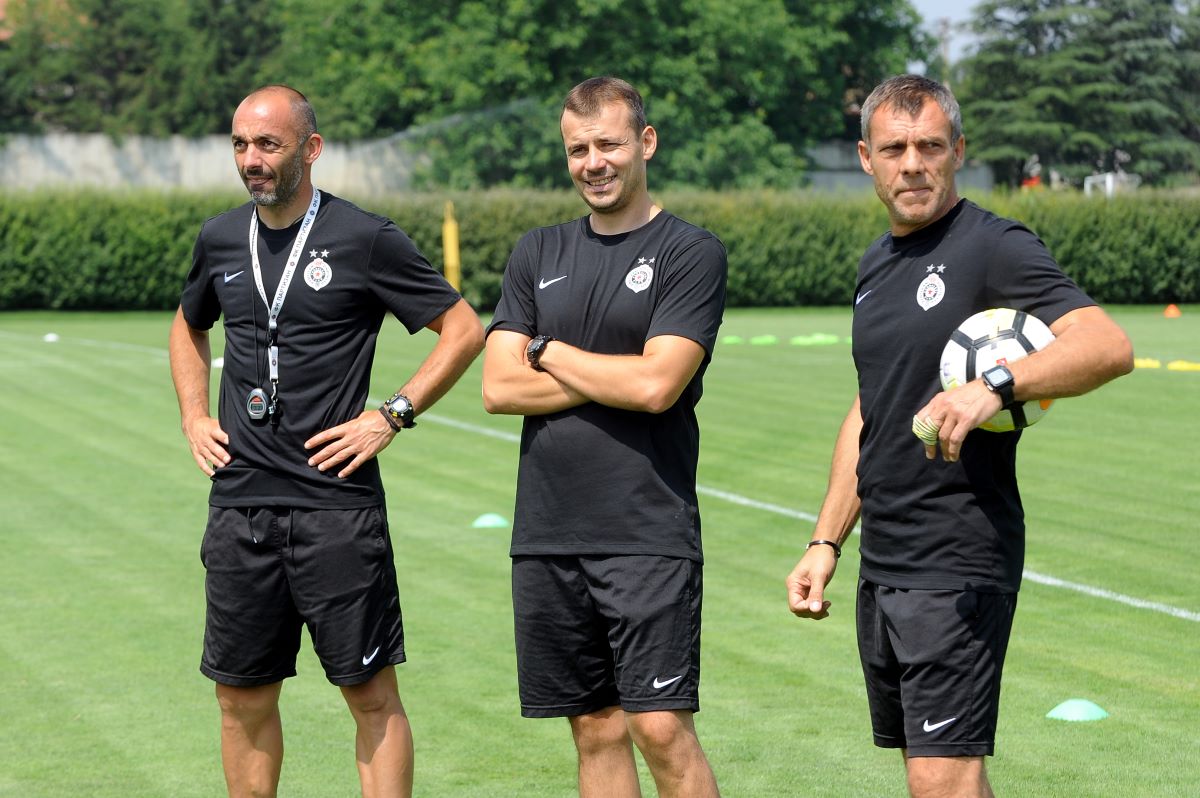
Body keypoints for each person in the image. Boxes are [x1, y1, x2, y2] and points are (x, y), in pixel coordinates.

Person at [785, 74, 1133, 798]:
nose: (912, 163)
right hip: (885, 560)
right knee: (947, 774)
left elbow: (1106, 344)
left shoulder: (994, 246)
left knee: (938, 777)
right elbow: (870, 410)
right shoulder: (875, 267)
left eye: (930, 146)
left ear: (958, 152)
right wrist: (826, 541)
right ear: (865, 158)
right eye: (894, 148)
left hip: (959, 554)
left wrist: (995, 384)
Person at [168, 84, 483, 798]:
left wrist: (391, 414)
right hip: (240, 508)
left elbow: (464, 330)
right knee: (240, 699)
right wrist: (193, 414)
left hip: (335, 511)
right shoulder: (220, 237)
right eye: (241, 145)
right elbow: (187, 325)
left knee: (370, 696)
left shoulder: (364, 237)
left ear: (310, 149)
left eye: (268, 145)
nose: (252, 160)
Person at [481, 76, 725, 798]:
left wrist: (547, 350)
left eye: (608, 144)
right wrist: (615, 373)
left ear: (644, 143)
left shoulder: (690, 252)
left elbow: (659, 387)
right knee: (594, 728)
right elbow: (497, 389)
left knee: (660, 728)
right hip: (548, 533)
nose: (594, 162)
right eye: (578, 149)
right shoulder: (537, 251)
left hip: (646, 531)